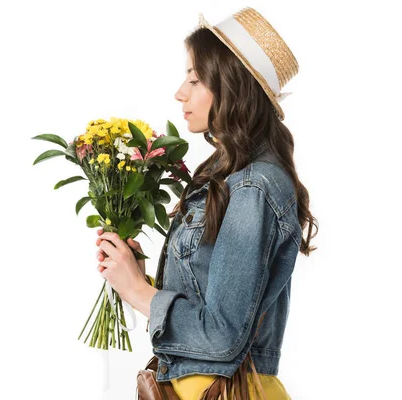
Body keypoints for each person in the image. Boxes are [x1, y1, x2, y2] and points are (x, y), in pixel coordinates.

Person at [95, 6, 318, 400]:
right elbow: (213, 308)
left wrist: (138, 293)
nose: (181, 92)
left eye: (195, 79)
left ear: (233, 87)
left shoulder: (254, 187)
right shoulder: (227, 176)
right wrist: (139, 276)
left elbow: (223, 338)